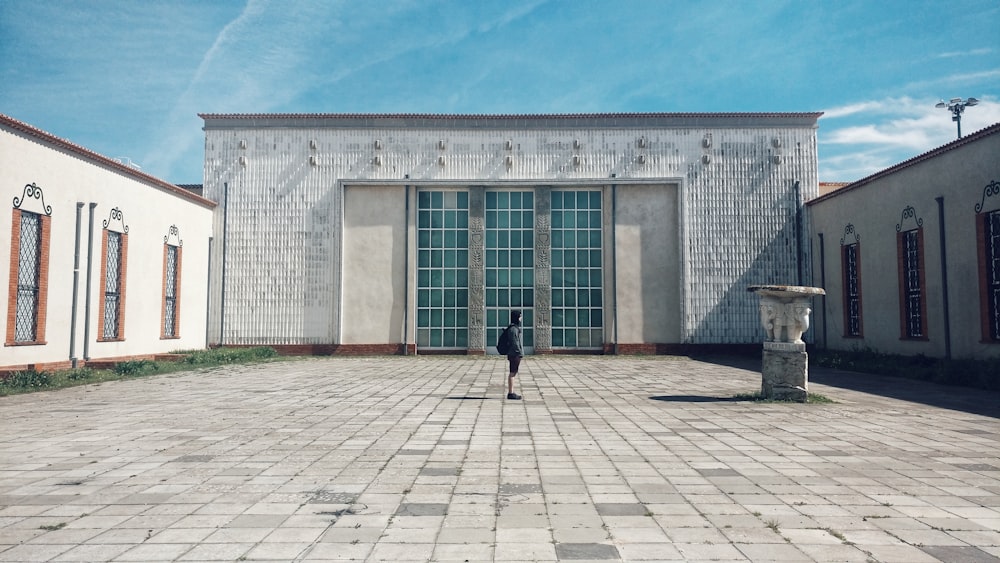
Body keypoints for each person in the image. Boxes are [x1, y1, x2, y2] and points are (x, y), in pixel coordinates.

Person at [506, 309, 523, 400]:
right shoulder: (513, 329)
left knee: (513, 372)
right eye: (520, 316)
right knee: (512, 373)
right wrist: (519, 352)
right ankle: (511, 393)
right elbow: (514, 342)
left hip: (514, 353)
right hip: (514, 354)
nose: (521, 318)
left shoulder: (514, 328)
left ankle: (511, 392)